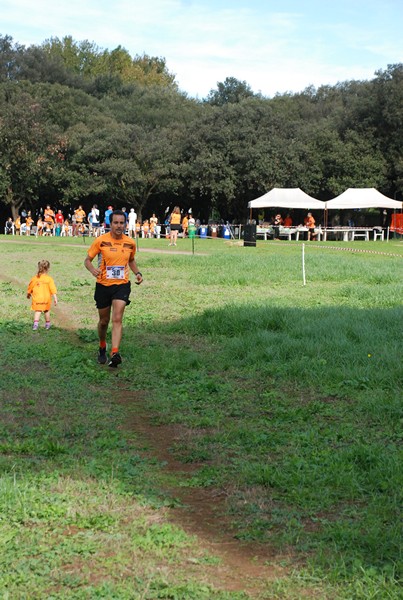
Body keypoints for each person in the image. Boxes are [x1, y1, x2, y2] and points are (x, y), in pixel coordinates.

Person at [84, 210, 143, 368]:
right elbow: (87, 260)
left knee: (117, 318)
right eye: (115, 223)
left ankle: (115, 353)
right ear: (110, 224)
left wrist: (137, 273)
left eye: (121, 223)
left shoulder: (130, 242)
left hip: (122, 285)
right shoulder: (101, 241)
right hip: (103, 285)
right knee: (104, 322)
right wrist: (92, 270)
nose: (119, 226)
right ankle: (102, 346)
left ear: (125, 224)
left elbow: (131, 260)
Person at [27, 260, 58, 331]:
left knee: (38, 311)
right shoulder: (49, 279)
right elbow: (52, 288)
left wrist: (28, 293)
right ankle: (47, 325)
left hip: (37, 298)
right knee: (46, 311)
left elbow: (30, 286)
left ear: (39, 268)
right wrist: (55, 297)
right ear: (48, 268)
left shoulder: (35, 278)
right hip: (46, 298)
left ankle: (35, 326)